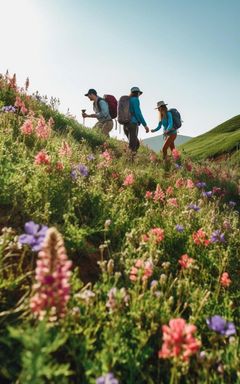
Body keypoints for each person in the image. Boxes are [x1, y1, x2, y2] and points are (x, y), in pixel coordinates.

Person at [123, 86, 150, 155]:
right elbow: (138, 113)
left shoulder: (127, 100)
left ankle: (129, 158)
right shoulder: (135, 100)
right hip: (132, 124)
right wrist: (145, 125)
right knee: (133, 146)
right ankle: (130, 161)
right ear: (137, 93)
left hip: (125, 125)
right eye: (139, 94)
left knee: (136, 143)